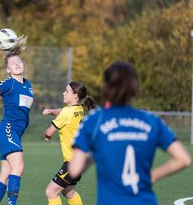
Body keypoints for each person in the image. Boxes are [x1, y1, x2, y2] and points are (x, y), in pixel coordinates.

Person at [69, 61, 191, 205]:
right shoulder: (151, 120)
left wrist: (96, 154)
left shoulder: (95, 120)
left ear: (106, 87)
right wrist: (152, 176)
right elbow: (184, 159)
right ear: (134, 88)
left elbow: (74, 170)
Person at [0, 36, 33, 205]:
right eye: (13, 63)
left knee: (5, 174)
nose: (17, 64)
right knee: (18, 167)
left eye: (19, 61)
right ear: (8, 70)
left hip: (16, 133)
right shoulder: (8, 83)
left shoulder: (28, 84)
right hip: (8, 130)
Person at [42, 81, 96, 205]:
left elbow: (49, 132)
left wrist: (46, 135)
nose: (63, 93)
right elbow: (63, 112)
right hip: (81, 159)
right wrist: (51, 111)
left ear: (75, 96)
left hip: (72, 162)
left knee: (51, 192)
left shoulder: (67, 113)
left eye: (67, 91)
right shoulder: (79, 109)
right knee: (68, 193)